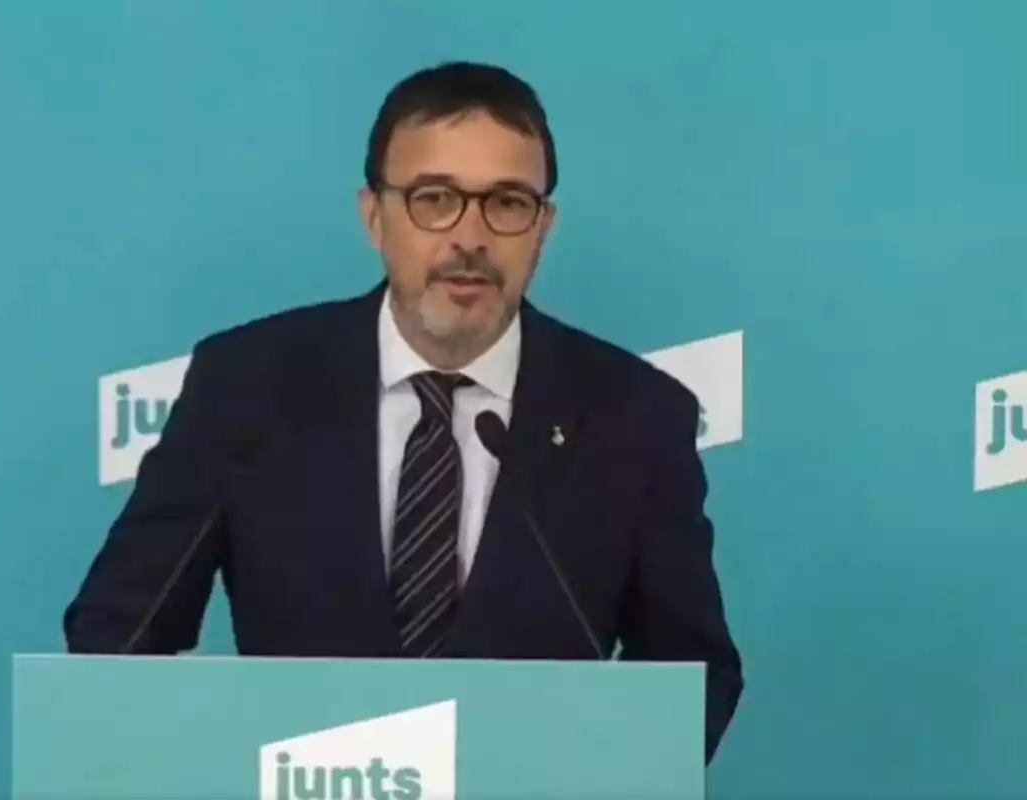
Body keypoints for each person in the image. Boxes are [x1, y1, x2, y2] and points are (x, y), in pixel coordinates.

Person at [64, 60, 743, 762]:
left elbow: (690, 677)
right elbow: (118, 635)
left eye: (507, 203)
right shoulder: (248, 386)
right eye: (434, 198)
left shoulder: (635, 415)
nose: (470, 237)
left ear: (543, 227)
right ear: (374, 218)